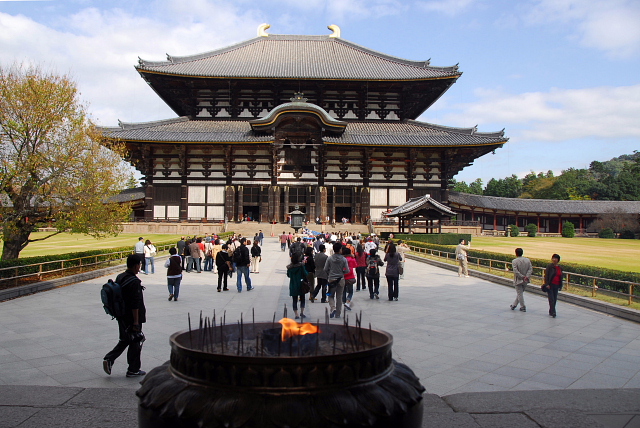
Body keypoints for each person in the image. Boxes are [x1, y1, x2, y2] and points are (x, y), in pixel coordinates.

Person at [103, 254, 147, 378]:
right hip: (131, 317)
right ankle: (131, 368)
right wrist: (136, 322)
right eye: (139, 264)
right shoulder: (134, 282)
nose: (140, 267)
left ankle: (119, 363)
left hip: (121, 315)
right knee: (135, 340)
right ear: (135, 265)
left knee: (127, 339)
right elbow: (135, 303)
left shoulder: (121, 276)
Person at [324, 242, 349, 319]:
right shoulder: (344, 259)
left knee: (330, 295)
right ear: (340, 249)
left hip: (332, 279)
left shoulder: (330, 258)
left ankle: (333, 308)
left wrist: (330, 273)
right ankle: (338, 314)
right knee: (339, 297)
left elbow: (325, 269)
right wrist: (342, 272)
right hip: (341, 279)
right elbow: (347, 270)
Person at [287, 253, 309, 320]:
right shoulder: (301, 266)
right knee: (302, 298)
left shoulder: (289, 267)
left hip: (293, 284)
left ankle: (296, 314)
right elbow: (305, 273)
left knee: (294, 300)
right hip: (301, 284)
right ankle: (302, 312)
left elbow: (288, 275)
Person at [511, 248, 533, 312]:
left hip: (518, 280)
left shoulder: (514, 261)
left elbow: (516, 271)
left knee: (519, 293)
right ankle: (514, 305)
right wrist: (527, 276)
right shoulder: (527, 260)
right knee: (520, 293)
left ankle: (522, 306)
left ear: (516, 253)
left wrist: (522, 277)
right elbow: (530, 269)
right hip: (525, 280)